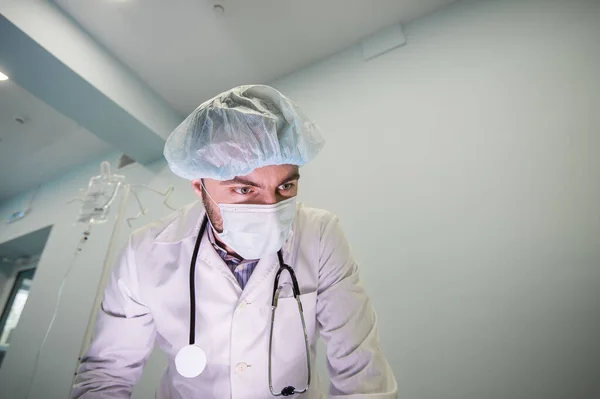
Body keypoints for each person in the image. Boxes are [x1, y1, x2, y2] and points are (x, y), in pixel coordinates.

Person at [71, 85, 397, 398]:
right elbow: (106, 374)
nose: (270, 210)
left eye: (285, 188)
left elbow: (363, 378)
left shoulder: (320, 234)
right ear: (200, 187)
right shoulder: (144, 252)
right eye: (244, 190)